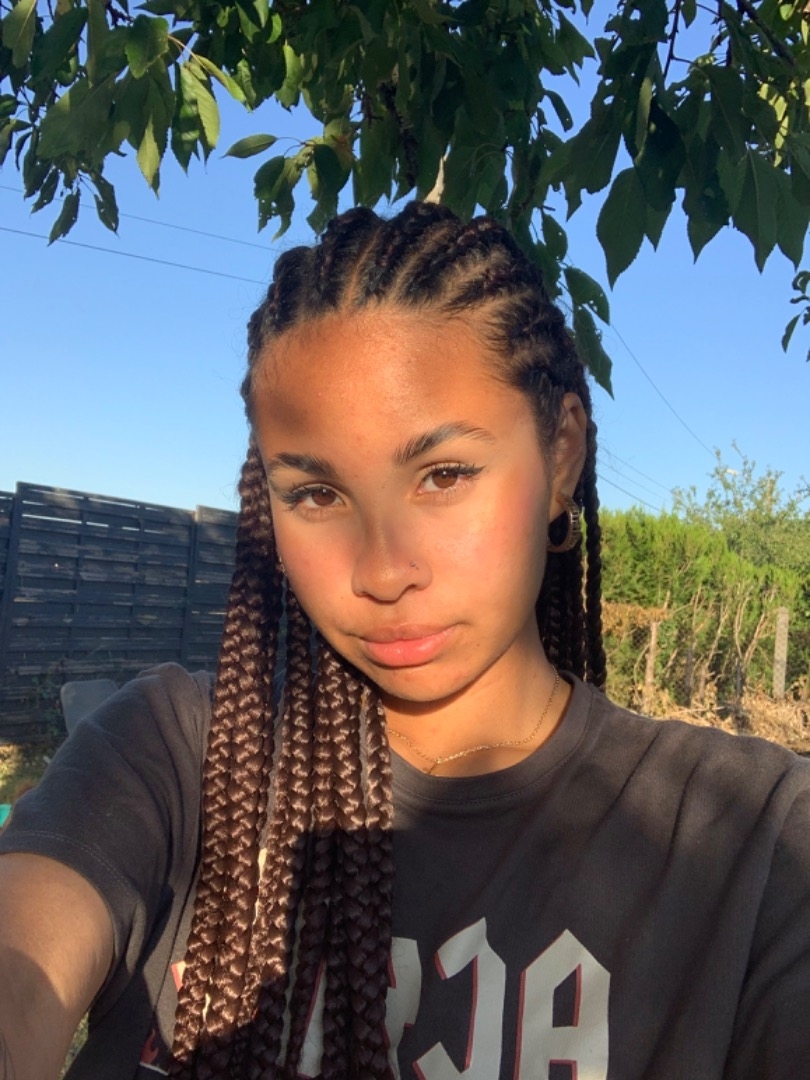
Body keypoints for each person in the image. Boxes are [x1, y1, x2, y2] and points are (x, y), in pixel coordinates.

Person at [1, 201, 809, 1080]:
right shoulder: (170, 757)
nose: (383, 572)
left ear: (562, 456)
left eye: (444, 474)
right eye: (316, 495)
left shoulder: (754, 844)